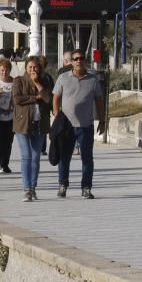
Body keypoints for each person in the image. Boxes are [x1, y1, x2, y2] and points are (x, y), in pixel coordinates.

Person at [53, 50, 105, 199]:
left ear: (85, 61)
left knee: (87, 158)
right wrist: (57, 116)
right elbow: (56, 97)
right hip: (66, 127)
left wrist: (102, 120)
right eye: (75, 59)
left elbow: (99, 101)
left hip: (85, 126)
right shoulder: (63, 78)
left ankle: (86, 188)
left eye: (81, 58)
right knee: (64, 157)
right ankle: (63, 185)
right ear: (72, 62)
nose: (78, 61)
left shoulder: (93, 80)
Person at [13, 56, 51, 201]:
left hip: (39, 123)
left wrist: (37, 83)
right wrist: (36, 97)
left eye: (35, 67)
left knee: (36, 157)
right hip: (22, 124)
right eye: (30, 67)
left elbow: (48, 98)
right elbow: (17, 99)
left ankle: (33, 187)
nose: (32, 70)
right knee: (26, 156)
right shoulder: (19, 81)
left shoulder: (45, 80)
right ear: (26, 68)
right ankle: (27, 188)